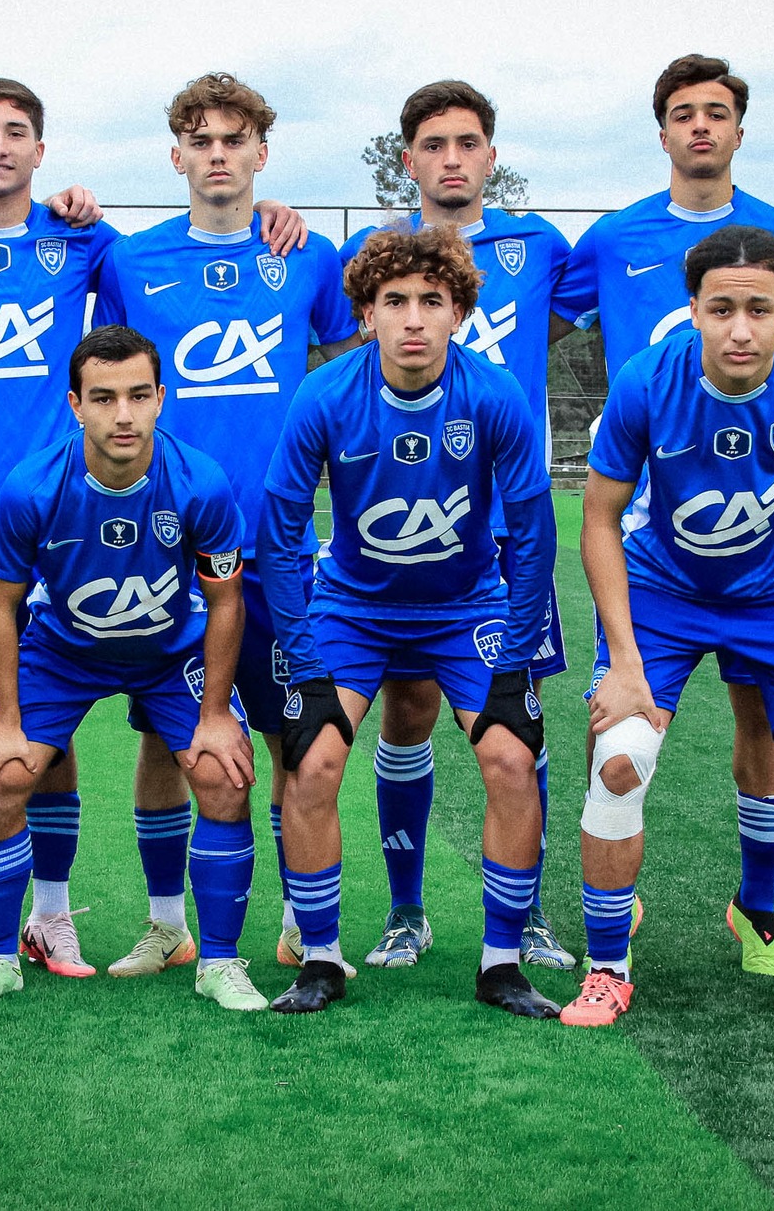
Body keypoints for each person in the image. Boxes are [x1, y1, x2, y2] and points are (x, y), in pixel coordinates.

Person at [0, 77, 310, 981]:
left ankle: (79, 916)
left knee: (242, 731)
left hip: (179, 523)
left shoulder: (87, 242)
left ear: (42, 150)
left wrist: (275, 214)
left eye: (17, 131)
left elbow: (355, 335)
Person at [553, 55, 774, 978]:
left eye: (718, 113)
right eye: (684, 113)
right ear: (663, 130)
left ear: (740, 130)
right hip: (648, 528)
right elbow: (521, 314)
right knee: (622, 734)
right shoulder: (610, 238)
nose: (701, 127)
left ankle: (756, 912)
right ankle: (613, 908)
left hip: (763, 534)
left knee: (767, 730)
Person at [567, 225, 774, 1029]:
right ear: (695, 312)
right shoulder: (646, 381)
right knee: (621, 759)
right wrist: (626, 666)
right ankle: (607, 969)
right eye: (721, 310)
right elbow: (599, 521)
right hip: (661, 591)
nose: (740, 329)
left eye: (758, 309)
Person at [95, 73, 357, 978]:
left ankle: (297, 916)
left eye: (233, 140)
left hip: (279, 545)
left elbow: (350, 358)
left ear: (261, 154)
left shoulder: (310, 257)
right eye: (200, 141)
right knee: (163, 737)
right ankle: (168, 925)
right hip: (166, 547)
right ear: (176, 157)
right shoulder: (129, 261)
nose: (217, 155)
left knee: (294, 735)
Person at [261, 224, 560, 1018]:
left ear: (459, 312)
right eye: (395, 302)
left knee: (509, 759)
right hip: (353, 609)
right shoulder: (324, 397)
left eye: (433, 300)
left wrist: (517, 654)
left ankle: (502, 963)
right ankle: (320, 957)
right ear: (365, 316)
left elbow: (533, 533)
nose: (414, 318)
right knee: (313, 763)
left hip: (467, 608)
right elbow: (281, 530)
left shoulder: (493, 395)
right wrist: (302, 652)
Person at [338, 80, 577, 971]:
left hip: (507, 528)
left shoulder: (540, 246)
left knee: (522, 712)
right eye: (433, 144)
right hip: (404, 529)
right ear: (409, 160)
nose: (451, 158)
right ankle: (407, 912)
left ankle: (531, 914)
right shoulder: (375, 254)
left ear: (489, 156)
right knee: (405, 709)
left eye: (467, 142)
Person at [0, 325, 263, 1010]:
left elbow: (225, 600)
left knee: (222, 774)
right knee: (0, 777)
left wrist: (215, 715)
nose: (121, 415)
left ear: (161, 398)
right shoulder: (32, 486)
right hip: (64, 650)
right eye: (102, 398)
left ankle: (216, 961)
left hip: (169, 652)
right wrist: (5, 720)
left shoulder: (200, 483)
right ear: (75, 404)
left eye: (136, 396)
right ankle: (0, 957)